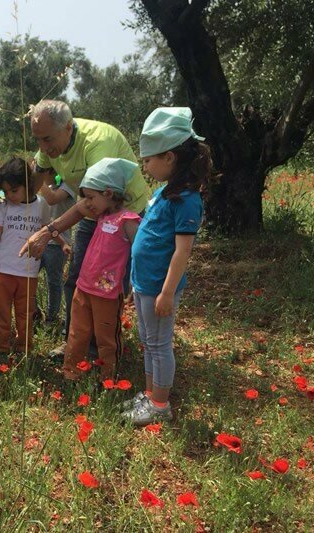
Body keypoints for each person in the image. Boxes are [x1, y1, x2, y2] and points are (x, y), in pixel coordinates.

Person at [23, 100, 151, 358]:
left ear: (68, 127)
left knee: (109, 286)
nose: (43, 147)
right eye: (38, 140)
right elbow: (35, 179)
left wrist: (49, 230)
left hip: (124, 216)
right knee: (77, 280)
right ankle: (75, 341)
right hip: (92, 211)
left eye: (47, 139)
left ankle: (104, 347)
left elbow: (95, 204)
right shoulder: (48, 144)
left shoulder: (97, 143)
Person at [120, 107, 210, 426]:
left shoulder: (187, 199)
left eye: (149, 160)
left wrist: (168, 292)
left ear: (169, 158)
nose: (145, 166)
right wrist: (134, 283)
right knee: (147, 341)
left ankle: (160, 404)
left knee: (159, 343)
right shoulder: (162, 193)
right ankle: (149, 394)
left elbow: (182, 252)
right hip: (145, 284)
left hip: (161, 288)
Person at [63, 159, 141, 383]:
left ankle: (108, 377)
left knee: (106, 336)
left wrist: (135, 283)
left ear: (108, 192)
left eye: (90, 197)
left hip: (107, 293)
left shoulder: (128, 221)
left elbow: (139, 252)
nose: (87, 203)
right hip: (84, 286)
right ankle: (71, 372)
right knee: (78, 332)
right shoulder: (100, 216)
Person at [0, 157, 64, 357]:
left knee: (25, 313)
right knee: (1, 312)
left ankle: (23, 349)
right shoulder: (3, 206)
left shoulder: (42, 204)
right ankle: (0, 348)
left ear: (27, 185)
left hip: (29, 271)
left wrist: (64, 243)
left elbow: (49, 228)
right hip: (3, 269)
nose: (10, 195)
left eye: (14, 190)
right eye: (5, 191)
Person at [37, 173, 74, 328]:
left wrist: (36, 176)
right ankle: (35, 312)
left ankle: (52, 318)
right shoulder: (48, 186)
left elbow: (52, 198)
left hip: (58, 244)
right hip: (41, 239)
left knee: (53, 281)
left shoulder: (68, 185)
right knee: (28, 277)